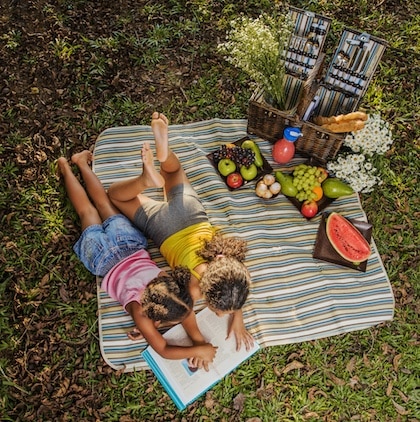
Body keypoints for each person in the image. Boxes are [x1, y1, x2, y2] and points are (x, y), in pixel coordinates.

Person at [57, 151, 217, 369]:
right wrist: (197, 348)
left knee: (102, 204)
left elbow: (183, 309)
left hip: (127, 244)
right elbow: (163, 349)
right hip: (103, 257)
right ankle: (67, 166)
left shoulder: (166, 280)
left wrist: (199, 344)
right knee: (87, 213)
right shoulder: (141, 313)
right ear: (155, 318)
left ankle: (78, 164)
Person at [108, 112, 254, 351]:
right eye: (218, 310)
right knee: (115, 195)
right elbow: (187, 316)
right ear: (205, 293)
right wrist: (198, 341)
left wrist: (237, 316)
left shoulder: (234, 266)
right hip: (164, 229)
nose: (219, 316)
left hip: (191, 213)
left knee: (174, 172)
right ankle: (143, 181)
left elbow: (236, 284)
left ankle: (164, 156)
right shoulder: (193, 290)